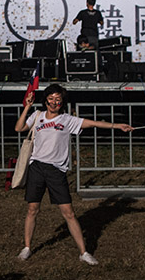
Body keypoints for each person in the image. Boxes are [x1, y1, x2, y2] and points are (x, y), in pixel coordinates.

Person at [13, 83, 133, 265]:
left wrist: (117, 126)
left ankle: (84, 252)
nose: (54, 103)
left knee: (69, 213)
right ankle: (27, 248)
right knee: (32, 209)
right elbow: (19, 128)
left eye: (58, 100)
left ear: (62, 102)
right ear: (45, 100)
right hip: (37, 167)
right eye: (51, 99)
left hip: (56, 170)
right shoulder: (37, 116)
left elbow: (93, 123)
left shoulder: (67, 120)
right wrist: (28, 107)